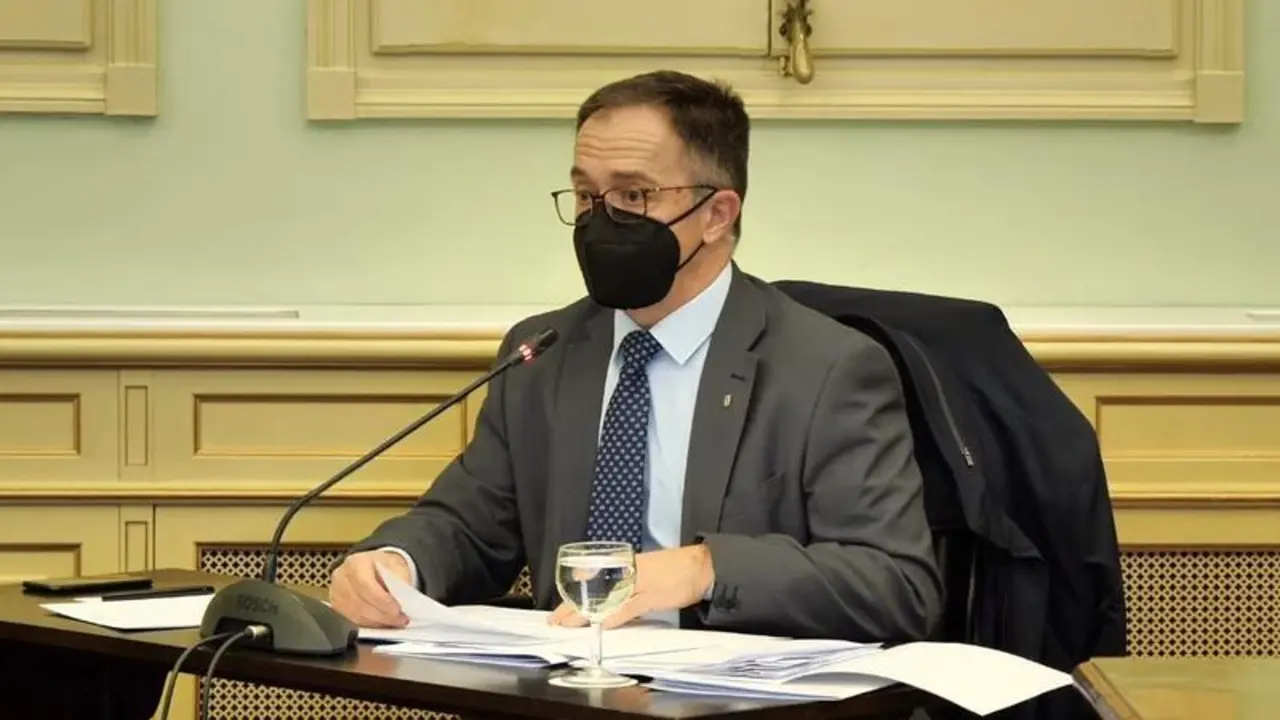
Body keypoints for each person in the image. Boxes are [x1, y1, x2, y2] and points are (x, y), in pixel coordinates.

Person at [329, 70, 942, 642]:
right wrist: (395, 563)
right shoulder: (543, 352)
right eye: (586, 195)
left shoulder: (827, 368)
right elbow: (470, 525)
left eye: (633, 195)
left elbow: (896, 585)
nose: (602, 220)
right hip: (563, 689)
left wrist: (704, 569)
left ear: (717, 214)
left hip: (733, 696)